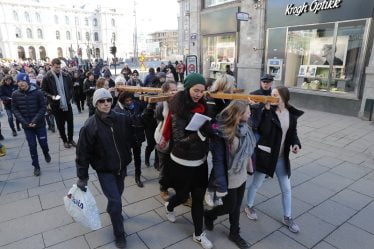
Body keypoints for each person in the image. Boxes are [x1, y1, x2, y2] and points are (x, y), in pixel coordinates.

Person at [76, 88, 134, 249]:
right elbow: (82, 153)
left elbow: (132, 135)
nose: (106, 103)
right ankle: (119, 233)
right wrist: (82, 176)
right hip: (105, 170)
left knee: (117, 197)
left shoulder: (122, 118)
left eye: (108, 100)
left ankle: (113, 210)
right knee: (116, 200)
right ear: (96, 104)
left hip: (121, 168)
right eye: (101, 101)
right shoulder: (90, 125)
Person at [164, 73, 213, 249]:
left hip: (200, 161)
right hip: (181, 162)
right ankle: (170, 205)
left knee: (198, 199)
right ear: (188, 88)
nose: (199, 94)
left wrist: (212, 128)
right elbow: (178, 141)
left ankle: (198, 234)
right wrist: (201, 133)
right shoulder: (178, 107)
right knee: (183, 195)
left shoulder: (204, 106)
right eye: (196, 90)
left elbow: (209, 126)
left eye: (202, 91)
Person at [245, 86, 304, 234]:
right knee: (257, 183)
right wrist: (264, 110)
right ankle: (249, 206)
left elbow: (292, 133)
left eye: (275, 95)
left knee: (286, 188)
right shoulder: (268, 112)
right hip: (266, 155)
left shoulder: (290, 114)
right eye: (271, 95)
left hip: (282, 157)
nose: (272, 97)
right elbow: (262, 131)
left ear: (284, 97)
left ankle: (287, 216)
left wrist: (295, 143)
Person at [204, 100, 255, 249]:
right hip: (227, 177)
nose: (250, 113)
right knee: (229, 207)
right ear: (238, 115)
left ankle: (234, 233)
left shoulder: (245, 127)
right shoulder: (221, 133)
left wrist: (251, 166)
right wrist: (220, 184)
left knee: (237, 206)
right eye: (247, 112)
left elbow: (248, 151)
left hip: (241, 175)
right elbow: (218, 161)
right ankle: (209, 214)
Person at [12, 73, 51, 176]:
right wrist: (25, 122)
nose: (21, 84)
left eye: (23, 81)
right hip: (27, 126)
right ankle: (36, 166)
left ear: (27, 81)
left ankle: (46, 152)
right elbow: (15, 109)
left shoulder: (37, 92)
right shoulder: (15, 94)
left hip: (39, 124)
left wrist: (35, 121)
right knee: (32, 146)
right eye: (19, 82)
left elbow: (43, 107)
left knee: (43, 143)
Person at [113, 91, 147, 188]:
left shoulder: (136, 104)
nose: (129, 102)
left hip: (137, 136)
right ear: (122, 101)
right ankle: (124, 170)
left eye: (130, 100)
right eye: (127, 101)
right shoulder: (117, 109)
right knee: (126, 156)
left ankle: (138, 176)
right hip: (126, 138)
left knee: (137, 157)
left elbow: (145, 109)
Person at [42, 58, 75, 149]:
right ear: (52, 66)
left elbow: (71, 87)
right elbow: (42, 91)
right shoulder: (47, 77)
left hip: (66, 103)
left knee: (70, 122)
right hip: (55, 105)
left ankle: (71, 139)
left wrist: (69, 96)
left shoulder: (65, 75)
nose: (58, 69)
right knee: (60, 125)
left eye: (59, 67)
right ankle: (65, 141)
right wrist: (51, 96)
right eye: (56, 67)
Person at [154, 81, 178, 201]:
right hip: (164, 141)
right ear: (164, 92)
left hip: (177, 142)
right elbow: (159, 120)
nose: (175, 92)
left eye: (176, 89)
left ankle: (175, 186)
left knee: (175, 167)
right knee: (164, 168)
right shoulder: (161, 106)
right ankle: (163, 189)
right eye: (172, 90)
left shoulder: (180, 104)